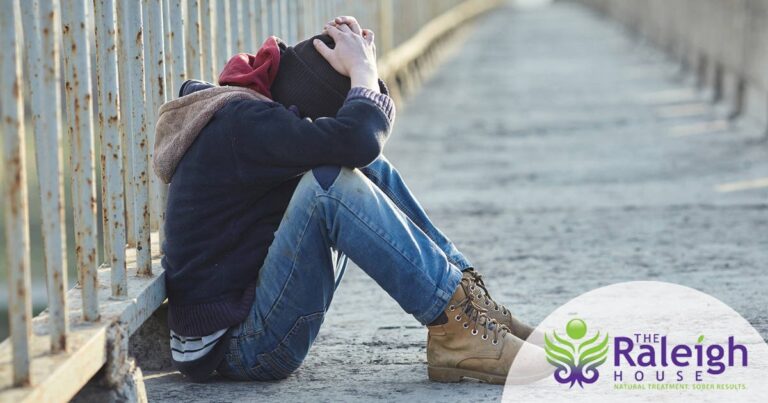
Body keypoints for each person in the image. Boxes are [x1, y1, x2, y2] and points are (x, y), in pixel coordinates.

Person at [154, 16, 545, 385]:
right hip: (240, 348)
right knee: (328, 185)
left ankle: (468, 308)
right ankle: (456, 329)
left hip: (252, 314)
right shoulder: (243, 122)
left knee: (366, 165)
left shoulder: (251, 111)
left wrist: (363, 77)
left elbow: (360, 147)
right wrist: (362, 73)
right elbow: (357, 139)